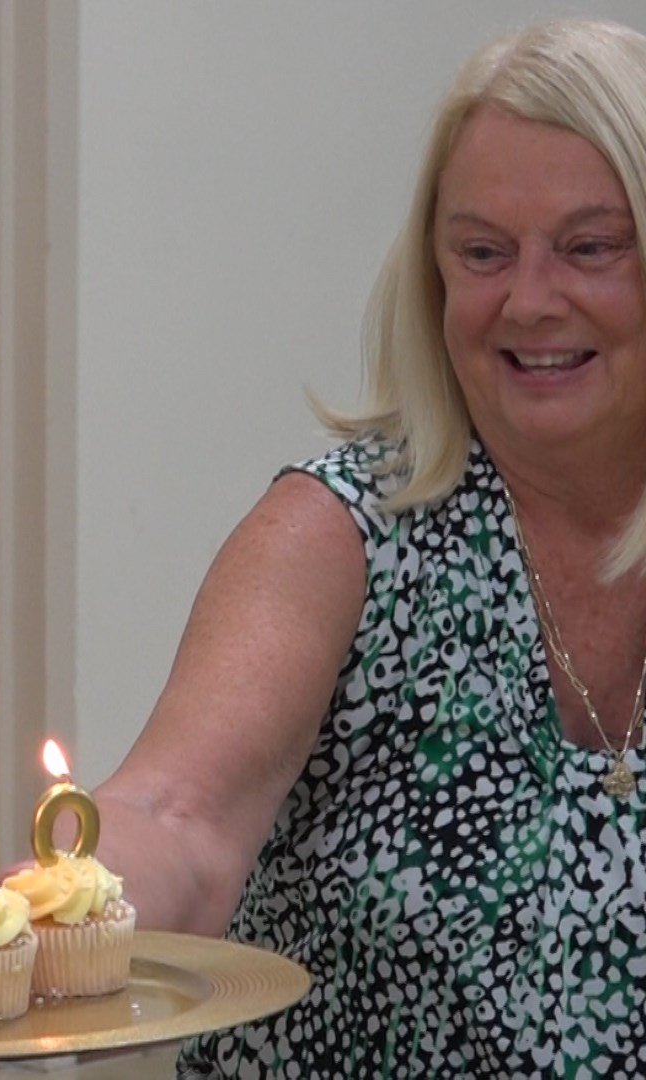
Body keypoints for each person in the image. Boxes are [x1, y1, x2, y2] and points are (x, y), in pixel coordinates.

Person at [85, 18, 646, 1075]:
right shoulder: (336, 536)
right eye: (483, 252)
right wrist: (47, 913)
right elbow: (179, 816)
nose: (529, 300)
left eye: (590, 246)